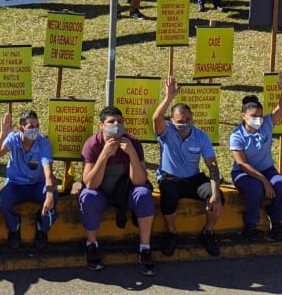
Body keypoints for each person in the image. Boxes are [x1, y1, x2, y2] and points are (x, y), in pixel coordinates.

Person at [79, 105, 157, 276]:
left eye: (119, 121)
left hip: (125, 193)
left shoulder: (132, 142)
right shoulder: (93, 144)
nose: (116, 124)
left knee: (144, 194)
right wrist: (104, 155)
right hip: (101, 193)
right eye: (111, 121)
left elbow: (139, 181)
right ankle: (91, 245)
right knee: (87, 197)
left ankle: (145, 248)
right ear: (101, 125)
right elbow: (90, 184)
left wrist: (132, 154)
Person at [151, 75, 222, 257]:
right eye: (180, 121)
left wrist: (214, 193)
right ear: (172, 121)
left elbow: (212, 165)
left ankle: (208, 231)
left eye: (188, 119)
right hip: (170, 178)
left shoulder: (201, 136)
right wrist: (168, 97)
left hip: (193, 178)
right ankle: (172, 233)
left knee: (218, 198)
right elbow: (156, 118)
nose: (185, 124)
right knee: (168, 197)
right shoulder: (166, 132)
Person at [229, 74, 282, 243]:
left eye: (260, 116)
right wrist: (264, 181)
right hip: (244, 173)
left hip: (267, 170)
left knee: (281, 185)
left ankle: (276, 222)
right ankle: (251, 225)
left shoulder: (266, 124)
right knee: (255, 188)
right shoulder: (236, 135)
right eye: (254, 116)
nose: (258, 120)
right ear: (244, 116)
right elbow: (241, 163)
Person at [0, 109, 56, 250]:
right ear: (21, 129)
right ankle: (14, 227)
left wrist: (49, 195)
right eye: (31, 127)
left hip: (37, 184)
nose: (35, 130)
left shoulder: (42, 142)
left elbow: (48, 172)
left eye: (37, 126)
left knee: (53, 198)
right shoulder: (13, 139)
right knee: (3, 200)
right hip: (16, 184)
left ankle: (41, 228)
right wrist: (2, 135)